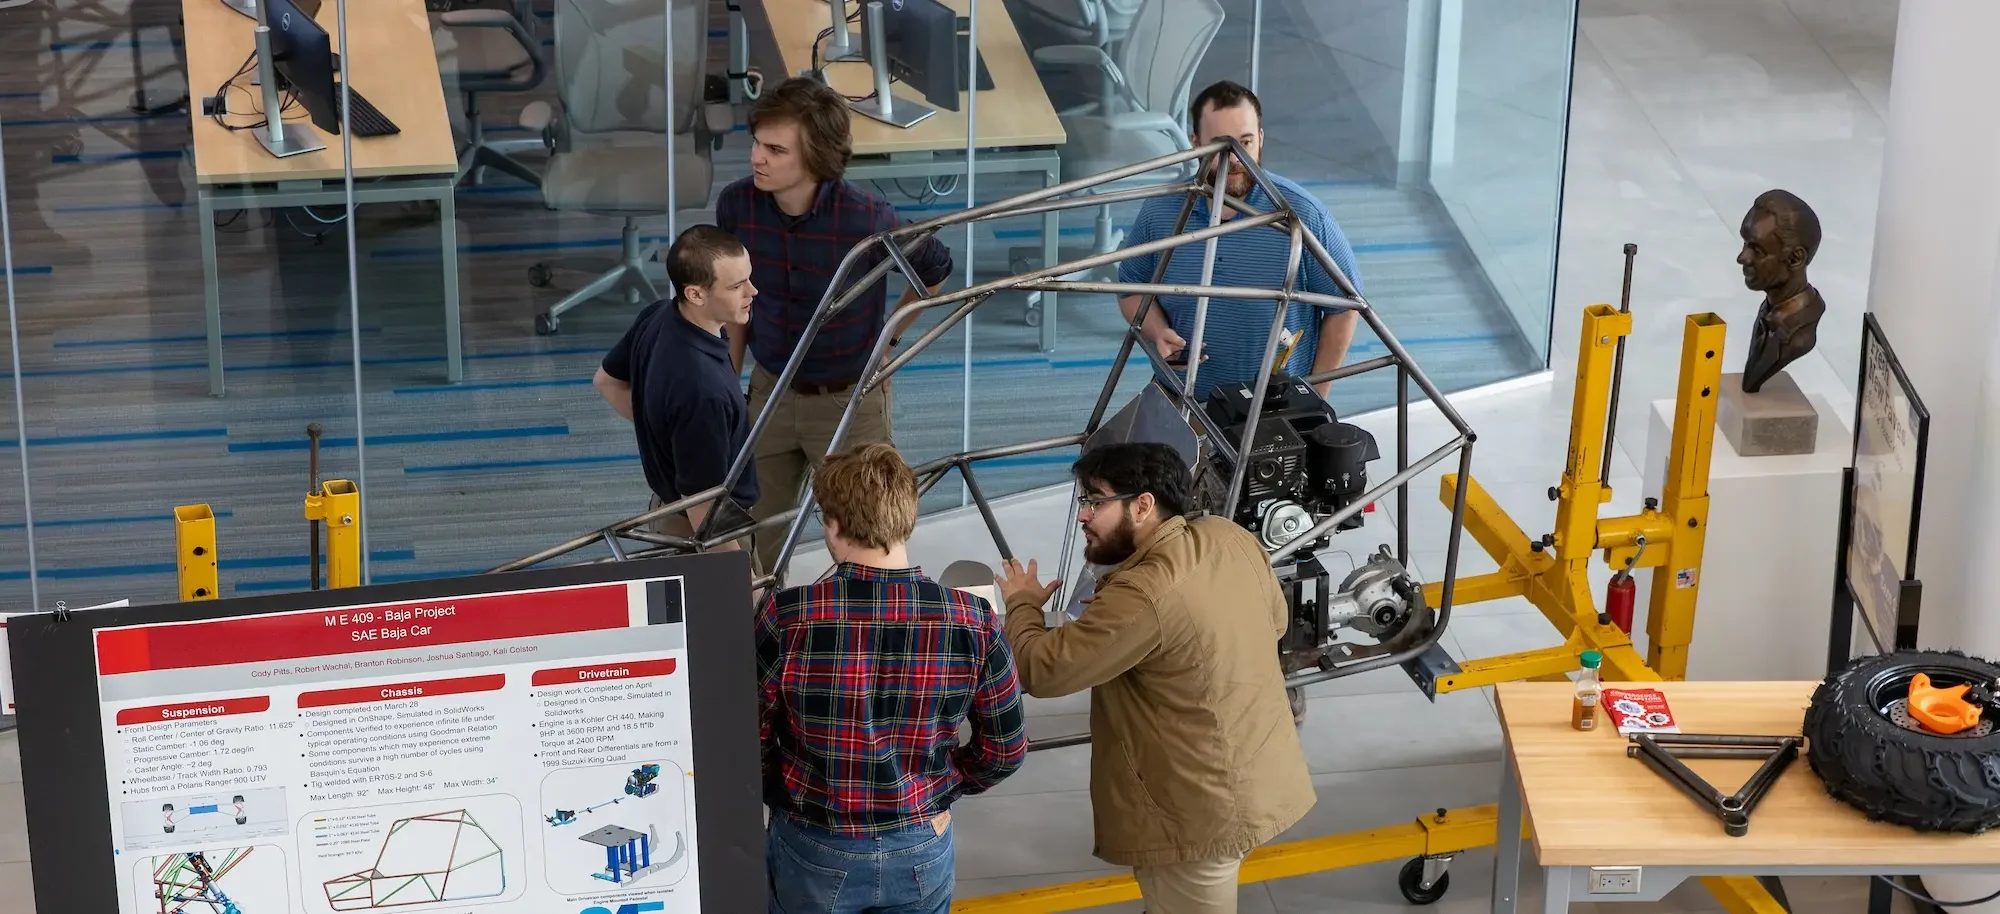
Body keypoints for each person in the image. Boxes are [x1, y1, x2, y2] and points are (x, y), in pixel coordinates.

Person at [995, 441, 1314, 914]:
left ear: (1143, 504)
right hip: (1255, 777)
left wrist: (1022, 603)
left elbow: (1042, 670)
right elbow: (1276, 622)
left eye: (1095, 501)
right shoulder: (1228, 536)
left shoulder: (1146, 591)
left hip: (1198, 817)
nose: (1083, 516)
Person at [757, 443, 1026, 914]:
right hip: (921, 841)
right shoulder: (973, 620)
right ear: (907, 519)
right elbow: (1004, 750)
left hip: (816, 841)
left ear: (833, 524)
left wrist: (785, 792)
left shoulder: (789, 616)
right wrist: (942, 787)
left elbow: (747, 737)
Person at [717, 76, 956, 574]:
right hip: (770, 392)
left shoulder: (867, 219)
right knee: (751, 541)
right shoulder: (737, 205)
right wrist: (727, 379)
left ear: (817, 159)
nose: (756, 157)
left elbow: (935, 271)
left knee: (872, 540)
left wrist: (888, 339)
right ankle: (760, 641)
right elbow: (734, 299)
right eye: (756, 143)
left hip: (849, 399)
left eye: (774, 149)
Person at [1117, 80, 1364, 402]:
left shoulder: (1302, 215)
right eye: (1221, 146)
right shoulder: (1160, 211)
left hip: (1273, 404)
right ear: (1195, 143)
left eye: (1245, 143)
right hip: (1181, 396)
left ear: (1260, 139)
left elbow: (1345, 308)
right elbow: (1131, 287)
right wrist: (1156, 332)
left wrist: (1314, 397)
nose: (1235, 159)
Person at [593, 224, 759, 554]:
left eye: (749, 278)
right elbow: (703, 509)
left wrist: (664, 437)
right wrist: (741, 586)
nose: (753, 292)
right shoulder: (702, 392)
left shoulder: (658, 317)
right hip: (700, 533)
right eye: (738, 286)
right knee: (737, 605)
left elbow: (606, 381)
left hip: (665, 509)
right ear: (696, 293)